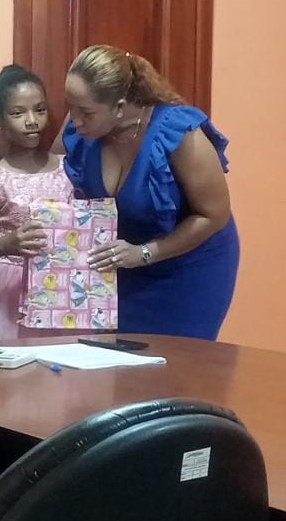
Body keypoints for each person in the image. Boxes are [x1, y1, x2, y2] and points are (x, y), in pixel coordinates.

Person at [61, 45, 239, 339]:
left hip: (189, 266)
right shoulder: (81, 129)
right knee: (119, 356)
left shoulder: (178, 133)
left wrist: (144, 253)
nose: (74, 119)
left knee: (180, 359)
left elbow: (214, 215)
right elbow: (49, 173)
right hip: (123, 262)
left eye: (86, 112)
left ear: (120, 107)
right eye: (70, 106)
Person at [0, 66, 75, 341]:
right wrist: (4, 245)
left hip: (59, 290)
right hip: (5, 292)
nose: (32, 121)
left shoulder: (67, 169)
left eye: (40, 110)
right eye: (18, 113)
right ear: (0, 120)